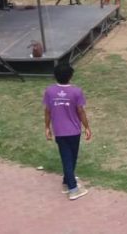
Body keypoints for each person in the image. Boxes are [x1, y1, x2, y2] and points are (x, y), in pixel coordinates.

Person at [43, 63, 92, 201]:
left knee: (69, 158)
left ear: (55, 76)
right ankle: (73, 189)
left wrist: (47, 127)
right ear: (71, 76)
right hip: (74, 131)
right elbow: (80, 111)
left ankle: (66, 181)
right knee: (69, 158)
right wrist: (87, 127)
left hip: (59, 131)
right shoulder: (76, 92)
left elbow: (47, 111)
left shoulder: (50, 91)